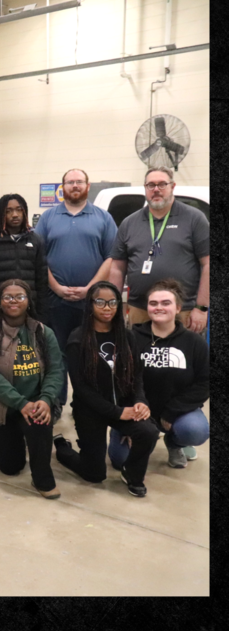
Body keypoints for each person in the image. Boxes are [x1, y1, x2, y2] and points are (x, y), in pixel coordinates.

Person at [53, 282, 157, 497]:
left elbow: (137, 375)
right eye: (100, 302)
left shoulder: (127, 336)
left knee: (148, 432)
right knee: (94, 474)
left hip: (123, 405)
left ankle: (133, 474)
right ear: (90, 305)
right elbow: (81, 389)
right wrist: (117, 412)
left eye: (112, 302)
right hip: (90, 410)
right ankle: (63, 448)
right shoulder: (77, 340)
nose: (107, 307)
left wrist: (140, 401)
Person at [33, 169, 118, 408]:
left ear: (88, 186)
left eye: (79, 181)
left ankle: (87, 403)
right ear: (63, 187)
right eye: (70, 182)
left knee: (90, 352)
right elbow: (38, 257)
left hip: (91, 302)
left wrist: (91, 289)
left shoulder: (103, 218)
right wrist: (57, 288)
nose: (75, 185)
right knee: (55, 353)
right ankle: (56, 402)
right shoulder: (48, 218)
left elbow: (111, 257)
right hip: (55, 300)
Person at [0, 279, 64, 499]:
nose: (13, 301)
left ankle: (42, 479)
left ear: (28, 301)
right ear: (0, 302)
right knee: (11, 467)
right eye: (8, 297)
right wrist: (19, 403)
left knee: (40, 421)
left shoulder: (43, 332)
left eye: (20, 296)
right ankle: (15, 439)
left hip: (34, 403)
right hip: (1, 406)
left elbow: (56, 370)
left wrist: (46, 399)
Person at [109, 167, 210, 333]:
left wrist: (201, 308)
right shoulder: (129, 223)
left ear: (173, 186)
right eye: (151, 185)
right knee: (138, 350)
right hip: (139, 310)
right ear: (145, 188)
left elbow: (208, 264)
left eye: (162, 184)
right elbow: (117, 268)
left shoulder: (194, 218)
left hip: (182, 311)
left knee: (181, 351)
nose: (156, 189)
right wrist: (114, 305)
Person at [124, 279, 209, 470]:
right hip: (138, 409)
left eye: (166, 303)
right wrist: (127, 417)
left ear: (178, 308)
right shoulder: (132, 338)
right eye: (153, 303)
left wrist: (172, 411)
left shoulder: (194, 342)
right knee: (119, 459)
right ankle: (145, 437)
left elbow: (205, 383)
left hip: (176, 410)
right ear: (147, 308)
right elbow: (122, 379)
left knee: (195, 431)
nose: (159, 308)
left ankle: (174, 443)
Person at [0, 193, 50, 322]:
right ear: (1, 214)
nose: (15, 214)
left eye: (19, 210)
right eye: (8, 211)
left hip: (30, 314)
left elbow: (42, 282)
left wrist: (41, 315)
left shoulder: (36, 241)